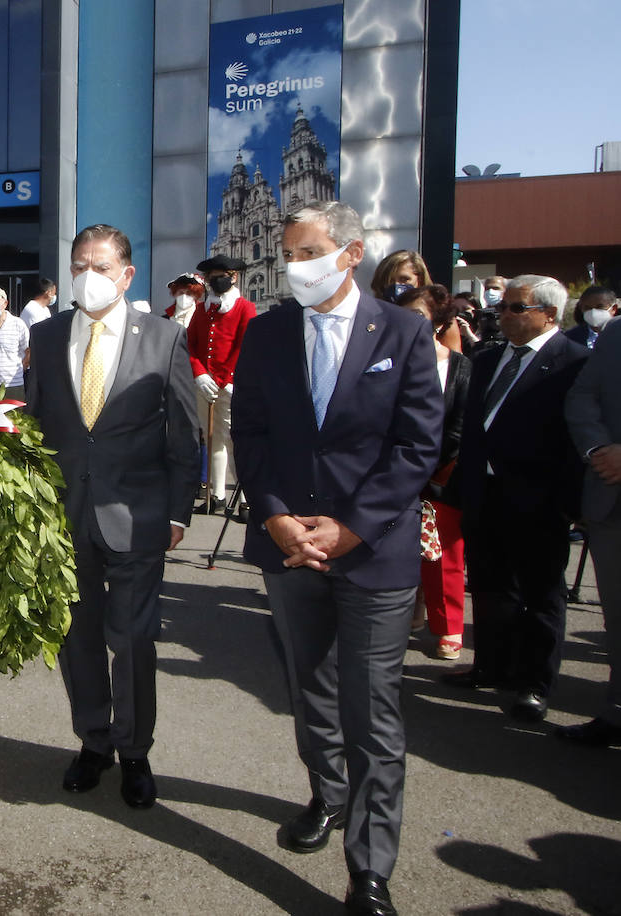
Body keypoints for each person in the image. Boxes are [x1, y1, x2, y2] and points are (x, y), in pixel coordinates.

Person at [231, 200, 442, 916]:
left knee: (372, 707)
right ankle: (328, 793)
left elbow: (417, 446)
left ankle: (371, 868)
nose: (295, 266)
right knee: (308, 687)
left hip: (372, 553)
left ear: (352, 254)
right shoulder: (267, 333)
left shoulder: (407, 332)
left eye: (310, 251)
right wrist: (279, 518)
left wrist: (350, 527)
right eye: (288, 253)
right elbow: (250, 434)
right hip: (289, 545)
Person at [27, 223, 200, 811]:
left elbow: (184, 432)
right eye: (78, 265)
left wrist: (179, 510)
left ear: (126, 275)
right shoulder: (47, 337)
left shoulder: (165, 337)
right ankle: (93, 741)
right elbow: (35, 422)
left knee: (132, 642)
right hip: (66, 516)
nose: (87, 277)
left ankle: (135, 752)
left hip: (138, 515)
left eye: (100, 267)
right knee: (77, 637)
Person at [445, 275, 589, 724]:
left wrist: (568, 503)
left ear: (549, 314)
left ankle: (534, 683)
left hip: (538, 499)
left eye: (515, 308)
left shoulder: (574, 363)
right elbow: (473, 425)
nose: (502, 315)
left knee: (541, 596)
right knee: (490, 587)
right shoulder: (486, 358)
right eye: (503, 307)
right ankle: (490, 664)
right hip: (483, 493)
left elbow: (574, 439)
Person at [397, 285, 472, 660]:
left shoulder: (458, 366)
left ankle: (448, 629)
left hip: (440, 476)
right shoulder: (386, 359)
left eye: (417, 316)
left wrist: (427, 467)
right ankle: (400, 617)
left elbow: (459, 427)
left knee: (444, 557)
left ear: (439, 324)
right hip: (393, 475)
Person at [562, 319, 621, 747]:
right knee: (616, 617)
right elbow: (583, 397)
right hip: (609, 501)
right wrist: (599, 449)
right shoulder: (617, 333)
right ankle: (616, 711)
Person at [188, 254, 256, 510]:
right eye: (212, 278)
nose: (216, 282)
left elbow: (243, 345)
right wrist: (199, 373)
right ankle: (217, 496)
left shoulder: (244, 307)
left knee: (231, 440)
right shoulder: (202, 310)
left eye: (221, 277)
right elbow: (191, 344)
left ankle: (245, 498)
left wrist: (226, 377)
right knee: (211, 437)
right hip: (204, 385)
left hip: (229, 385)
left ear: (233, 277)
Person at [564, 286, 617, 350]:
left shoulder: (618, 333)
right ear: (581, 308)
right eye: (587, 308)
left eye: (599, 307)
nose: (593, 312)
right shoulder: (570, 338)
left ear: (613, 309)